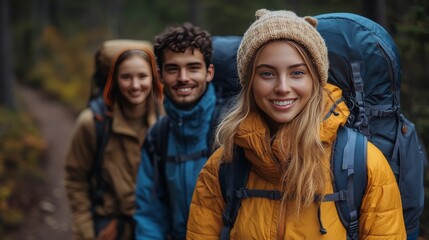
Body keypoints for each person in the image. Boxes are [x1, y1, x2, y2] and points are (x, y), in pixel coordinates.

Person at [186, 9, 406, 239]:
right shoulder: (223, 165)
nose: (282, 87)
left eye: (297, 73)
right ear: (249, 82)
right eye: (267, 74)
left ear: (316, 79)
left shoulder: (363, 163)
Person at [65, 44, 163, 240]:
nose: (135, 85)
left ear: (153, 78)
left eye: (142, 76)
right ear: (114, 80)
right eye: (126, 77)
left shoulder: (166, 120)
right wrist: (87, 232)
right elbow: (76, 180)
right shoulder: (93, 123)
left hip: (155, 225)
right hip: (108, 226)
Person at [133, 22, 216, 240]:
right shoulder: (158, 136)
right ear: (160, 76)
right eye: (173, 69)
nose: (183, 78)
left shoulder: (230, 130)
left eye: (193, 67)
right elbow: (151, 213)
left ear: (209, 72)